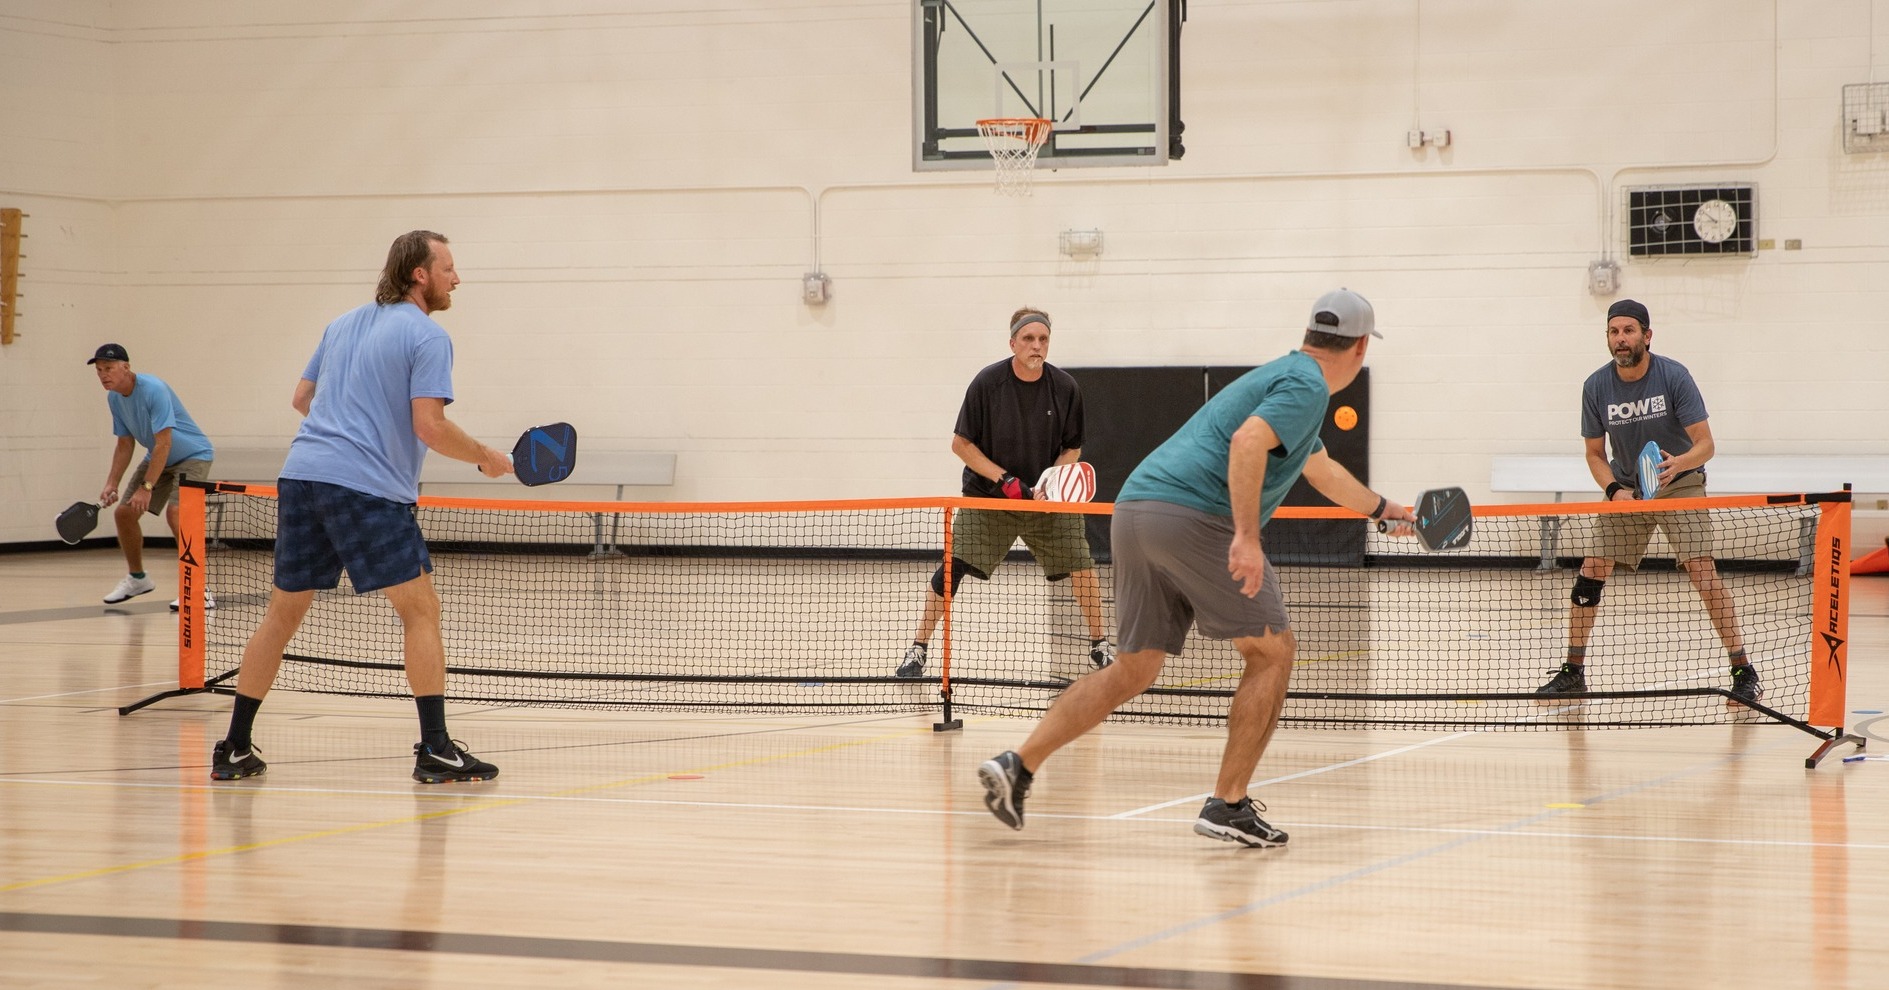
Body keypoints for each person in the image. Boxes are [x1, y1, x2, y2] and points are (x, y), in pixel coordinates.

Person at [977, 289, 1416, 847]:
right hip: (1193, 515)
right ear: (1359, 348)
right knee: (1272, 652)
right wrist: (1247, 537)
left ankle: (1019, 764)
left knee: (1133, 669)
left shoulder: (1285, 380)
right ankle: (1228, 805)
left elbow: (1321, 470)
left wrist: (1383, 509)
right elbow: (1248, 442)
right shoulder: (1306, 387)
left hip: (1135, 511)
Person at [210, 230, 515, 783]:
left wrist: (346, 429)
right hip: (366, 491)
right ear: (420, 274)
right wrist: (486, 458)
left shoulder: (342, 323)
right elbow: (430, 426)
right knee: (420, 611)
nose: (456, 278)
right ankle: (436, 749)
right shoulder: (427, 335)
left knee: (281, 616)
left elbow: (302, 399)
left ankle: (234, 747)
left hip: (302, 477)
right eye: (447, 268)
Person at [1536, 299, 1759, 705]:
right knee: (1590, 573)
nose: (1620, 339)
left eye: (1628, 331)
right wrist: (1614, 491)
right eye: (1613, 332)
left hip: (1679, 483)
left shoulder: (1673, 376)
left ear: (1647, 336)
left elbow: (1706, 444)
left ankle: (1743, 671)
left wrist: (1679, 463)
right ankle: (1573, 672)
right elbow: (1594, 454)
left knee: (1703, 574)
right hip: (1627, 489)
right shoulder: (1596, 386)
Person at [895, 307, 1114, 678]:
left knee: (1082, 565)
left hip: (1044, 504)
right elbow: (961, 444)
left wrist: (1050, 484)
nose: (1036, 345)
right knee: (952, 567)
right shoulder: (987, 384)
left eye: (1043, 339)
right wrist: (1004, 480)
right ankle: (918, 648)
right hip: (989, 499)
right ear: (1013, 343)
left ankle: (1100, 644)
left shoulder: (1065, 388)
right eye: (1028, 338)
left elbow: (1072, 448)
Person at [89, 343, 218, 610]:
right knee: (124, 514)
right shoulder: (114, 398)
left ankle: (197, 589)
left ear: (126, 367)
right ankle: (138, 579)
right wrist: (112, 482)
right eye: (99, 370)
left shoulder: (153, 389)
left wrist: (147, 487)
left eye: (108, 368)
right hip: (159, 457)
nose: (103, 375)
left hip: (193, 456)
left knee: (177, 513)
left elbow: (164, 443)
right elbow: (125, 444)